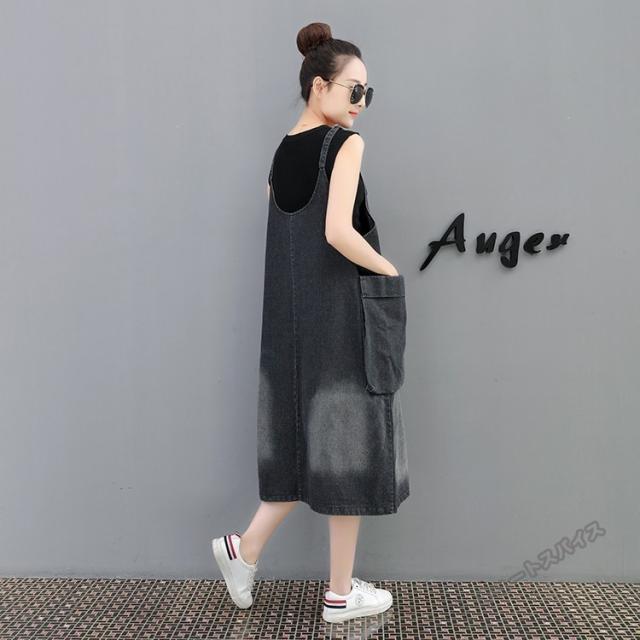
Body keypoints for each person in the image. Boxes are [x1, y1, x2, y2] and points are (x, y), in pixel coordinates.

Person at [212, 21, 410, 624]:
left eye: (368, 93)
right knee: (345, 449)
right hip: (340, 317)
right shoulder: (344, 145)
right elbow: (337, 232)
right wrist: (389, 269)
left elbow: (288, 233)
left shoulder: (282, 152)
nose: (361, 103)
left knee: (304, 449)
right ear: (319, 86)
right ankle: (339, 595)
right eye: (354, 90)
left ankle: (245, 549)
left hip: (291, 327)